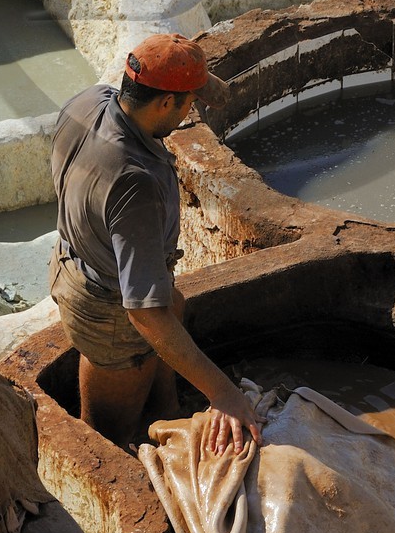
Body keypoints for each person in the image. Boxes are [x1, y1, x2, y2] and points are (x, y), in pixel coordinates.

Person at [48, 32, 262, 455]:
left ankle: (167, 408)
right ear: (166, 104)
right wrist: (224, 395)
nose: (191, 111)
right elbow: (145, 316)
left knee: (173, 307)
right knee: (111, 437)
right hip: (109, 312)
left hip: (71, 261)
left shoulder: (87, 102)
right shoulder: (135, 182)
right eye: (189, 103)